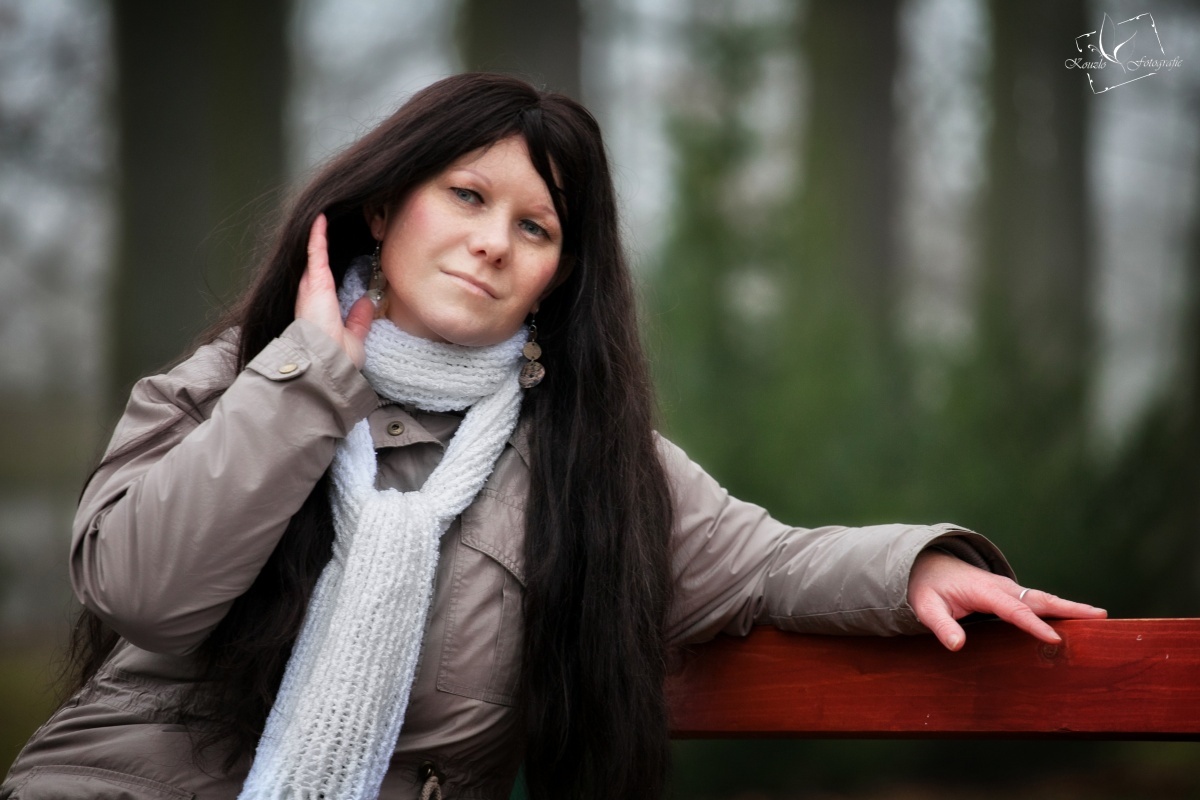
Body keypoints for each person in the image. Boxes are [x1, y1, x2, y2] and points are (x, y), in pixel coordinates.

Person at [0, 73, 1105, 800]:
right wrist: (307, 382)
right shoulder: (232, 380)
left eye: (534, 226)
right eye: (465, 195)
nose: (492, 241)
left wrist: (922, 566)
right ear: (386, 208)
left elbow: (771, 561)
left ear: (557, 276)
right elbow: (141, 591)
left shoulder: (589, 464)